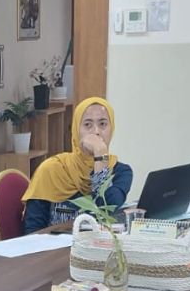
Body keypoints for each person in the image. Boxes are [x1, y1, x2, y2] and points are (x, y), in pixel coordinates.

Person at [22, 97, 134, 233]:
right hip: (56, 246)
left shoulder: (121, 171)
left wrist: (100, 157)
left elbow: (106, 209)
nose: (96, 131)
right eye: (87, 125)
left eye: (103, 124)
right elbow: (32, 231)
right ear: (76, 130)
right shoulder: (52, 169)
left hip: (99, 245)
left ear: (112, 129)